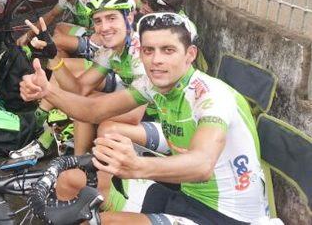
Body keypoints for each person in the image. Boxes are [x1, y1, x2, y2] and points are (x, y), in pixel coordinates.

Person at [20, 12, 269, 224]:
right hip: (184, 194)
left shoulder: (212, 96)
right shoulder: (153, 84)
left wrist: (137, 166)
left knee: (104, 222)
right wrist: (49, 91)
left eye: (168, 50)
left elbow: (202, 165)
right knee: (70, 180)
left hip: (225, 215)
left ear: (190, 54)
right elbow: (92, 110)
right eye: (149, 50)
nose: (156, 60)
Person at [10, 0, 166, 160]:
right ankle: (78, 162)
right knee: (84, 104)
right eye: (98, 21)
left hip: (166, 123)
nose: (104, 27)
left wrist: (63, 98)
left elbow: (133, 116)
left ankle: (77, 160)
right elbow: (79, 89)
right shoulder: (110, 51)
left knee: (105, 126)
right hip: (145, 111)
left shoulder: (141, 53)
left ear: (129, 17)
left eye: (111, 18)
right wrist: (53, 56)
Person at [16, 0, 100, 58]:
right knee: (59, 27)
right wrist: (28, 35)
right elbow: (51, 15)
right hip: (89, 34)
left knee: (57, 41)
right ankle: (64, 60)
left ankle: (69, 59)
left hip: (100, 43)